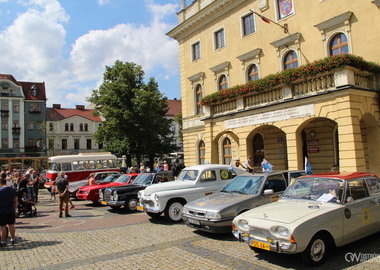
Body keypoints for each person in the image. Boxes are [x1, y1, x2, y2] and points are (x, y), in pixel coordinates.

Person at [0, 176, 18, 247]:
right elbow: (16, 200)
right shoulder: (12, 190)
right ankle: (13, 239)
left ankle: (3, 241)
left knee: (3, 227)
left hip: (2, 210)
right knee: (11, 225)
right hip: (11, 210)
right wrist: (15, 208)